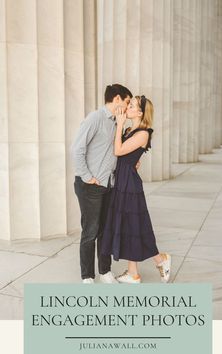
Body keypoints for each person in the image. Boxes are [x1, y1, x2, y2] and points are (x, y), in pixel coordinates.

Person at [101, 95, 171, 283]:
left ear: (140, 112)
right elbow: (123, 156)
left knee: (135, 225)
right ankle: (134, 272)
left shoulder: (143, 133)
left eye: (131, 106)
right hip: (122, 181)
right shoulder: (132, 129)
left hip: (129, 185)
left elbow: (118, 151)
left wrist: (119, 125)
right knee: (129, 225)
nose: (127, 107)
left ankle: (160, 259)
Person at [71, 84, 133, 284]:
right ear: (117, 99)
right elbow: (77, 150)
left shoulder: (117, 122)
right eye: (127, 101)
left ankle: (105, 271)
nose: (128, 105)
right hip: (90, 186)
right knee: (91, 231)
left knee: (105, 231)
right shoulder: (95, 118)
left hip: (109, 185)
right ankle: (87, 276)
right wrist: (87, 176)